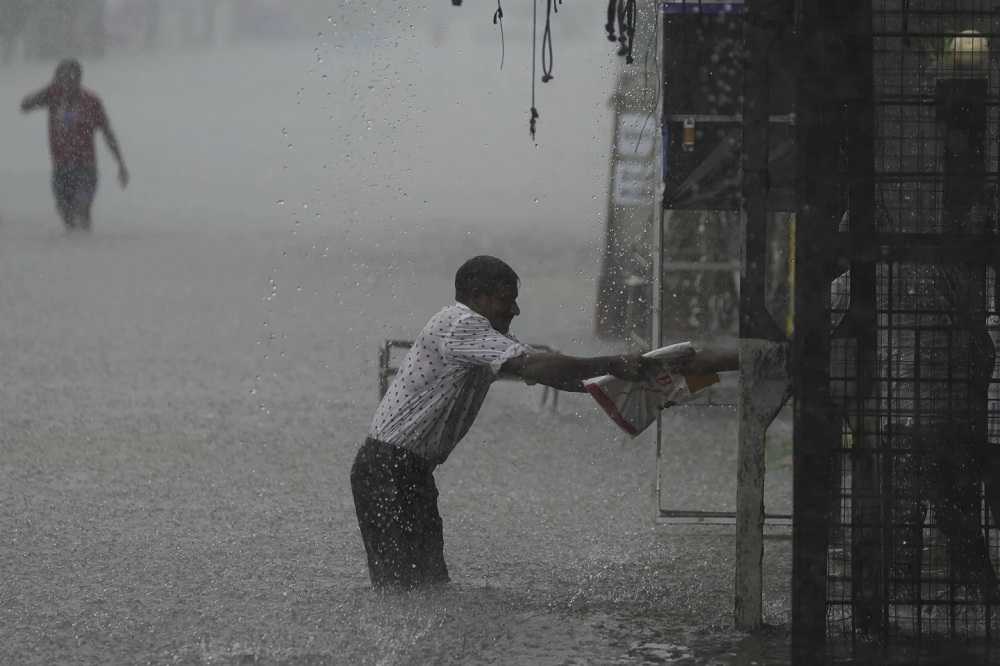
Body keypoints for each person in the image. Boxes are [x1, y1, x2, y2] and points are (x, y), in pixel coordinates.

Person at [350, 255, 739, 590]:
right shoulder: (460, 323)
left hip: (408, 472)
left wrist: (636, 386)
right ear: (477, 298)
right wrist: (610, 363)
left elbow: (554, 375)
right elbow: (534, 364)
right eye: (506, 301)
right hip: (388, 469)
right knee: (401, 589)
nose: (515, 311)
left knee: (428, 585)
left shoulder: (482, 337)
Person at [20, 58, 129, 231]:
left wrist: (121, 164)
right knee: (67, 216)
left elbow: (108, 133)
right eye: (62, 78)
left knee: (82, 210)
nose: (67, 83)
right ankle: (75, 253)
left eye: (71, 78)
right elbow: (25, 105)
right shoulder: (53, 95)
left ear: (79, 79)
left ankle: (86, 250)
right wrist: (48, 88)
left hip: (85, 169)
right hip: (61, 169)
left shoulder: (91, 102)